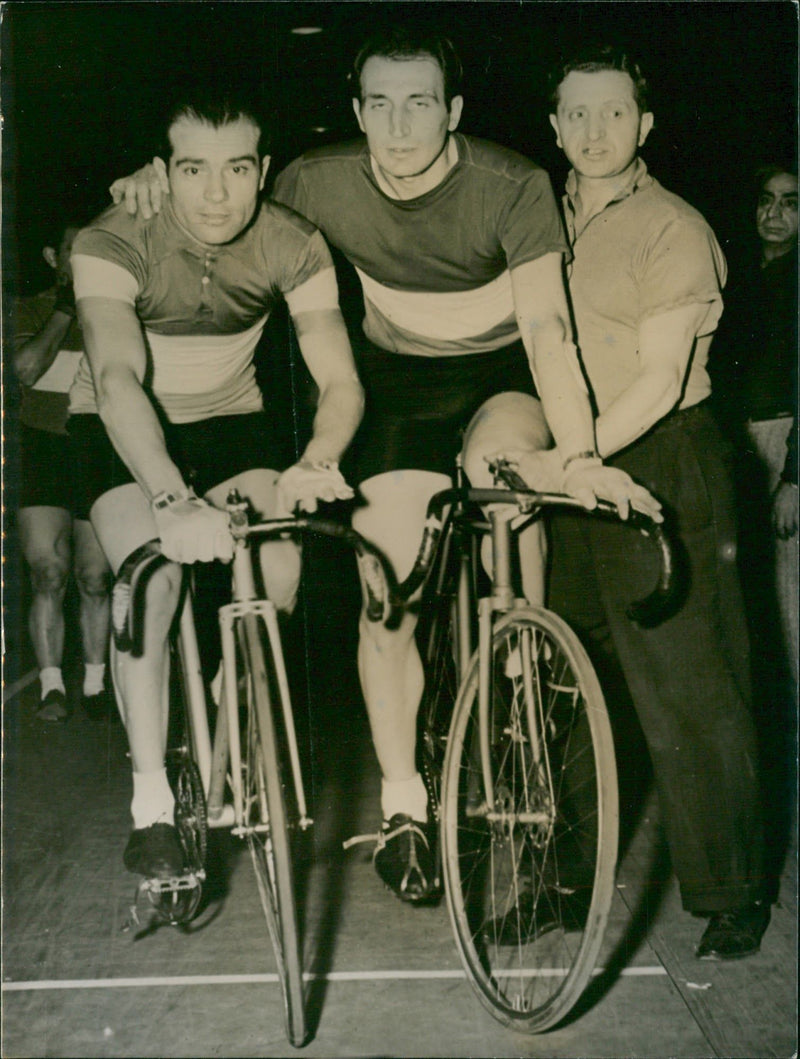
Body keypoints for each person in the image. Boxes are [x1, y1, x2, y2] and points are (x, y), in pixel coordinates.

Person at [108, 29, 660, 905]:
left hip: (501, 375)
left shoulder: (511, 185)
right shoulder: (313, 182)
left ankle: (520, 662)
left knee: (502, 472)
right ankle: (406, 809)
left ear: (455, 111)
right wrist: (144, 184)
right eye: (380, 104)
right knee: (388, 593)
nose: (400, 126)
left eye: (421, 103)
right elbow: (223, 205)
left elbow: (550, 331)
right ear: (357, 110)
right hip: (394, 387)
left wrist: (578, 452)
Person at [69, 87, 364, 878]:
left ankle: (233, 751)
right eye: (193, 170)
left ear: (263, 170)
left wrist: (319, 459)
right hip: (131, 431)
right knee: (155, 582)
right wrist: (169, 498)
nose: (216, 194)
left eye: (237, 169)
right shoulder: (111, 236)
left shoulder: (293, 240)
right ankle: (152, 806)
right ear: (162, 172)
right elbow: (115, 375)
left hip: (235, 424)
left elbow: (339, 379)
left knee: (279, 572)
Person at [537, 43, 769, 960]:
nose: (596, 132)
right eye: (578, 114)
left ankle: (733, 890)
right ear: (554, 126)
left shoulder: (674, 226)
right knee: (566, 675)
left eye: (616, 112)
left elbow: (666, 379)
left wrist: (576, 456)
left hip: (662, 458)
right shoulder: (538, 220)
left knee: (690, 686)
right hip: (573, 467)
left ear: (646, 124)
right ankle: (565, 876)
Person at [12, 219, 112, 722]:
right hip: (43, 448)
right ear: (54, 257)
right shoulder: (26, 309)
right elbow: (26, 370)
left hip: (96, 446)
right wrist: (67, 308)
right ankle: (53, 685)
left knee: (95, 577)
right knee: (48, 572)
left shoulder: (113, 311)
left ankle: (96, 684)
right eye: (74, 251)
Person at [714, 165, 798, 699]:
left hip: (784, 443)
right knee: (752, 603)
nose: (775, 213)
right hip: (741, 446)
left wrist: (795, 479)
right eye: (766, 199)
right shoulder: (740, 278)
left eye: (791, 202)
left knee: (792, 602)